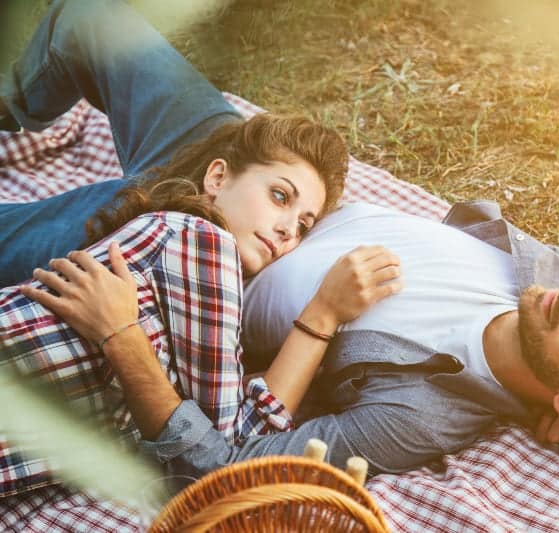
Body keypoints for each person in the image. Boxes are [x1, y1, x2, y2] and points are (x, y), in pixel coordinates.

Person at [29, 201, 559, 479]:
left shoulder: (420, 413)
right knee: (90, 22)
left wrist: (124, 337)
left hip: (200, 251)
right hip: (290, 185)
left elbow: (228, 470)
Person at [0, 0, 402, 498]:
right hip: (190, 207)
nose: (287, 233)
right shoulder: (208, 244)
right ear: (217, 174)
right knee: (92, 18)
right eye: (280, 198)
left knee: (90, 17)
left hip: (173, 212)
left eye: (304, 225)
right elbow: (233, 452)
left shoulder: (203, 244)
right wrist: (321, 315)